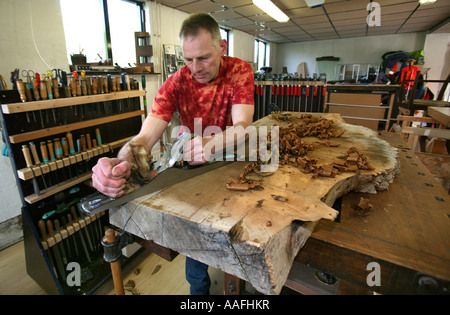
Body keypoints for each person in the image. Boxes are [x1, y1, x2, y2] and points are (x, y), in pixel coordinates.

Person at [91, 13, 255, 294]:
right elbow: (145, 136)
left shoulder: (240, 71)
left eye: (203, 58)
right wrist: (122, 161)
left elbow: (243, 126)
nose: (195, 68)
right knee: (196, 245)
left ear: (222, 47)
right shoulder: (177, 82)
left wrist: (213, 142)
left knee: (240, 242)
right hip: (195, 169)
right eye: (188, 59)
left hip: (233, 163)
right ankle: (198, 292)